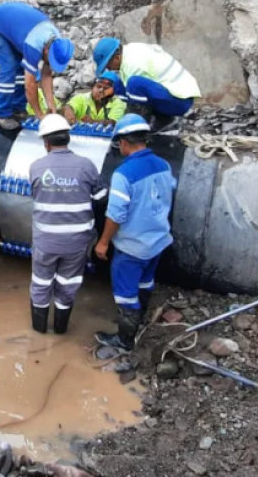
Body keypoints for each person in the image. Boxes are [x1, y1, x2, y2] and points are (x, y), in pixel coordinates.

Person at [93, 114, 177, 352]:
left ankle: (125, 341)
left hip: (132, 246)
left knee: (125, 292)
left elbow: (116, 214)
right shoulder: (163, 165)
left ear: (123, 142)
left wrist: (103, 242)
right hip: (158, 240)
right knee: (145, 281)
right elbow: (170, 189)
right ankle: (141, 322)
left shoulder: (123, 174)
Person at [28, 115, 108, 334]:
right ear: (68, 138)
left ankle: (39, 332)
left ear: (46, 142)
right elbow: (101, 197)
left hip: (46, 242)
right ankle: (61, 330)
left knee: (41, 283)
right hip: (76, 242)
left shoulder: (36, 167)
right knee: (68, 283)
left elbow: (36, 195)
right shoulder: (86, 166)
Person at [0, 2, 75, 130]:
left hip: (16, 27)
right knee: (10, 66)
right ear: (46, 50)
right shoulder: (34, 45)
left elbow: (46, 74)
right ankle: (2, 114)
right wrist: (40, 115)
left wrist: (51, 105)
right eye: (49, 60)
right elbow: (30, 86)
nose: (49, 62)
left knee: (19, 66)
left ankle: (17, 108)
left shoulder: (56, 41)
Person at [91, 38, 201, 129]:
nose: (108, 69)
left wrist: (128, 129)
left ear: (116, 57)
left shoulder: (133, 63)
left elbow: (136, 101)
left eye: (108, 64)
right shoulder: (129, 52)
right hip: (170, 94)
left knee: (135, 84)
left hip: (180, 101)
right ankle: (165, 120)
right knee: (119, 85)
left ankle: (138, 132)